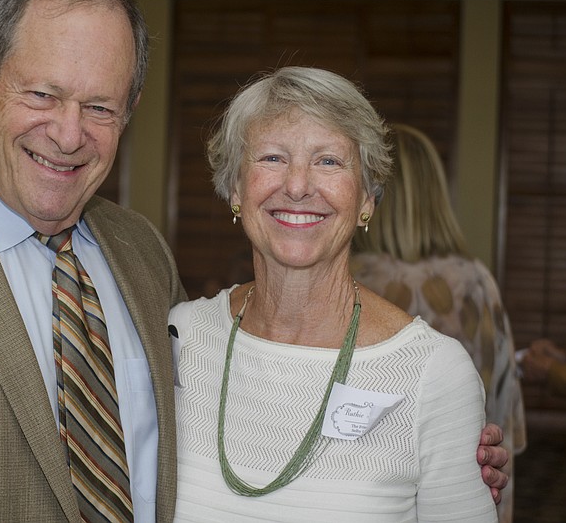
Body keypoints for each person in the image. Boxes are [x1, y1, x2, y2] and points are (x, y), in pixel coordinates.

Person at [0, 0, 508, 521]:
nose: (68, 133)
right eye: (42, 94)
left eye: (99, 106)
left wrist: (456, 464)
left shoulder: (141, 256)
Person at [170, 66, 498, 521]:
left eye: (328, 160)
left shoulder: (433, 375)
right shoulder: (179, 339)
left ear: (367, 199)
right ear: (235, 190)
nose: (298, 185)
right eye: (271, 158)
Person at [350, 123, 526, 523]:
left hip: (365, 495)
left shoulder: (347, 276)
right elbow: (502, 414)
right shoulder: (476, 281)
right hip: (465, 484)